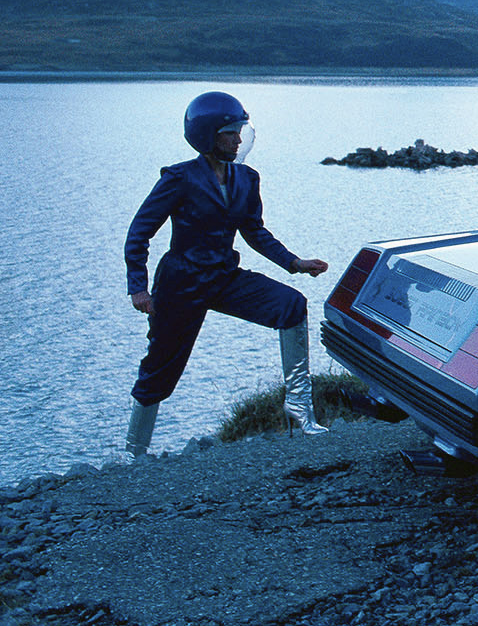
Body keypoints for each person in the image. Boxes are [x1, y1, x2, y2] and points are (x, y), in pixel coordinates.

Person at [123, 91, 331, 455]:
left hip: (224, 276)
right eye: (230, 132)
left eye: (240, 132)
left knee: (291, 306)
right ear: (207, 135)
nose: (238, 139)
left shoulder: (246, 178)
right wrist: (138, 288)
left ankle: (300, 408)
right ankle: (134, 450)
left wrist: (294, 263)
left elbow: (254, 231)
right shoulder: (179, 178)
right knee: (160, 367)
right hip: (181, 283)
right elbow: (139, 233)